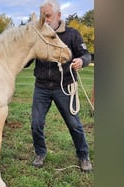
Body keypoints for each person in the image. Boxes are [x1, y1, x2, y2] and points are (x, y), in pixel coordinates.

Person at [27, 0, 92, 171]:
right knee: (36, 123)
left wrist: (81, 61)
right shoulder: (38, 35)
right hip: (41, 86)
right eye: (42, 16)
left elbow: (86, 55)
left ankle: (83, 155)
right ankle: (40, 152)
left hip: (64, 87)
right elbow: (27, 61)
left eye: (48, 16)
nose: (45, 20)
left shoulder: (72, 34)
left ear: (58, 15)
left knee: (74, 124)